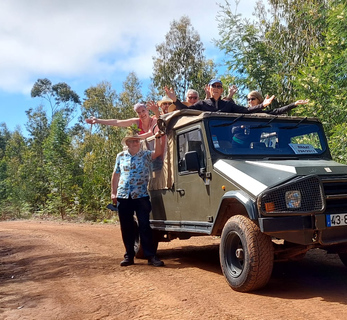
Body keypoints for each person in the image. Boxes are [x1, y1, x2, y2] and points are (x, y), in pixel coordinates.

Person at [112, 127, 165, 267]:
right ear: (127, 143)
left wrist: (158, 138)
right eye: (132, 141)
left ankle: (151, 256)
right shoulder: (120, 156)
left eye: (137, 141)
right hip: (123, 195)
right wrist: (113, 192)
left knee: (145, 226)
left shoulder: (146, 155)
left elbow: (158, 152)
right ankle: (129, 256)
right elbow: (116, 174)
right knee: (127, 227)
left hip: (141, 195)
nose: (135, 143)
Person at [165, 79, 276, 114]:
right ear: (209, 88)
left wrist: (262, 105)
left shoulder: (227, 105)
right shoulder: (202, 104)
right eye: (214, 86)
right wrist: (175, 100)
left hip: (225, 142)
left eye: (219, 86)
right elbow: (186, 110)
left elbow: (246, 110)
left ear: (222, 90)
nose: (216, 88)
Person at [85, 103, 158, 138]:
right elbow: (117, 122)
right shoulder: (136, 122)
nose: (142, 114)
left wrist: (133, 139)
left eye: (143, 111)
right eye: (139, 112)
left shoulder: (154, 120)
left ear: (147, 111)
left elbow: (150, 133)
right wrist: (97, 120)